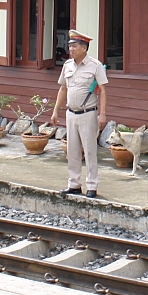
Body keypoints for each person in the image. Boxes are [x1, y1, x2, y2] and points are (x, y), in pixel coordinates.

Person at [50, 30, 108, 198]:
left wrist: (102, 114)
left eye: (75, 46)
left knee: (90, 150)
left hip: (88, 113)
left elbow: (103, 91)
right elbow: (63, 88)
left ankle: (92, 185)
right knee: (72, 150)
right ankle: (74, 184)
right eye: (70, 46)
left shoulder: (95, 66)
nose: (71, 49)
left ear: (84, 48)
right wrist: (55, 111)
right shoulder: (67, 65)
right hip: (71, 113)